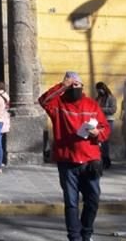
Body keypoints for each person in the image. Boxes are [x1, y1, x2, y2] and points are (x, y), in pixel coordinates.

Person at [39, 72, 109, 241]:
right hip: (67, 161)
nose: (74, 88)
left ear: (82, 86)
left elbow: (105, 128)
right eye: (71, 85)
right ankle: (75, 237)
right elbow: (43, 101)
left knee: (92, 200)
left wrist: (97, 133)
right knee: (71, 203)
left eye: (77, 85)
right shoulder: (58, 105)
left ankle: (86, 234)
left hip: (90, 160)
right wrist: (62, 85)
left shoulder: (91, 105)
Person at [95, 82, 116, 170]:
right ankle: (101, 159)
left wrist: (101, 109)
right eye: (98, 89)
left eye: (100, 89)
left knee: (105, 141)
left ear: (104, 88)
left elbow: (113, 109)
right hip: (99, 121)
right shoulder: (98, 98)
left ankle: (106, 160)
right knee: (99, 141)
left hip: (108, 121)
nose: (99, 91)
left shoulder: (111, 98)